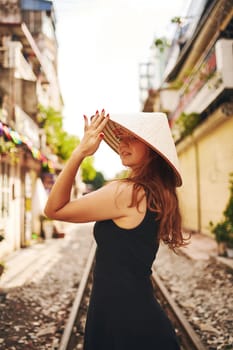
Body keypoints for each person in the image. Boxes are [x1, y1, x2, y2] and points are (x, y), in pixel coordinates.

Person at [44, 110, 188, 350]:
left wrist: (80, 152)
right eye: (121, 137)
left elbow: (54, 208)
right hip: (137, 318)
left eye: (132, 137)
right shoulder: (152, 192)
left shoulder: (126, 193)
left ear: (152, 149)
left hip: (123, 324)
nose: (123, 144)